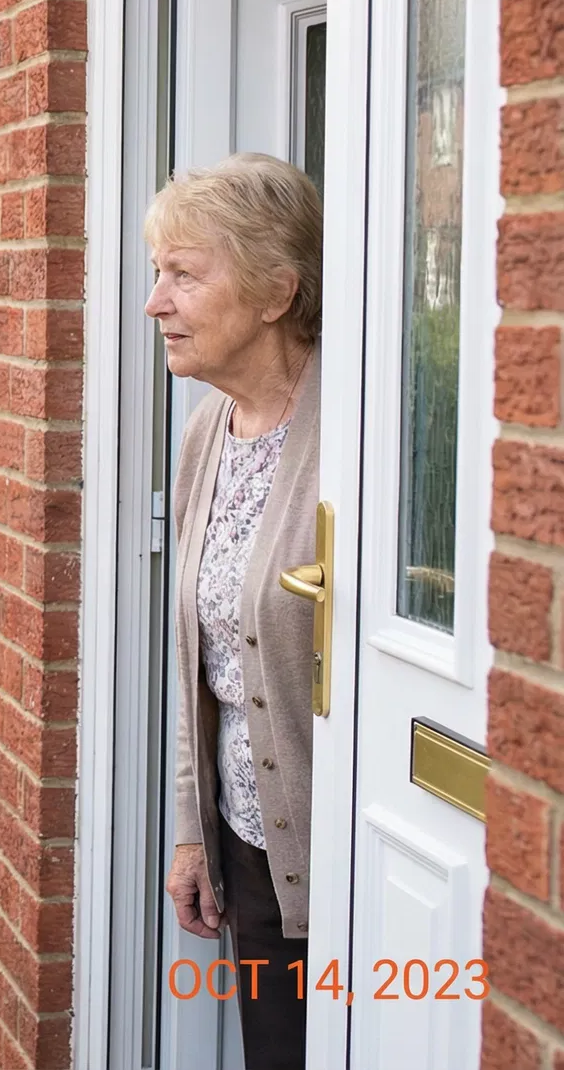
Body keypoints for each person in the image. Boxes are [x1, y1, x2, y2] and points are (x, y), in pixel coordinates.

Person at [149, 153, 322, 1070]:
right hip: (251, 847)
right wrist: (192, 831)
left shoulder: (354, 429)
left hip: (346, 850)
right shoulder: (207, 432)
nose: (156, 303)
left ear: (273, 292)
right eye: (156, 274)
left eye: (184, 275)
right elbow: (203, 661)